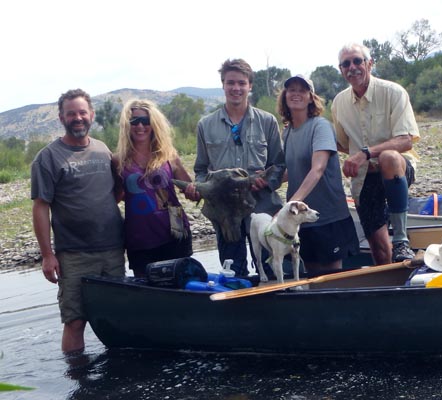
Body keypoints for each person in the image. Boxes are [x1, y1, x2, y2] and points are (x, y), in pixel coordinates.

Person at [31, 89, 125, 353]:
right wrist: (47, 255)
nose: (78, 118)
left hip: (113, 250)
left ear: (91, 115)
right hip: (73, 254)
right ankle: (77, 381)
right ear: (61, 117)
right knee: (75, 320)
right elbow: (40, 207)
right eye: (71, 113)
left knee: (118, 314)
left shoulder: (102, 150)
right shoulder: (47, 157)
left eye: (82, 112)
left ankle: (119, 374)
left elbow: (116, 190)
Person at [184, 58, 285, 277]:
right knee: (233, 272)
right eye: (230, 83)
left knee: (272, 266)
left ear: (250, 86)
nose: (236, 88)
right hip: (225, 211)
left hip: (262, 206)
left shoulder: (267, 121)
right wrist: (199, 187)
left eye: (241, 83)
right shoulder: (205, 125)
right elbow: (201, 168)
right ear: (223, 85)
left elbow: (278, 163)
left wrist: (268, 181)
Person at [331, 43, 420, 265]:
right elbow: (342, 143)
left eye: (357, 61)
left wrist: (365, 153)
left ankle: (401, 240)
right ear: (341, 70)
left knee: (387, 157)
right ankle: (392, 289)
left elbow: (406, 139)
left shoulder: (393, 92)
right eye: (346, 64)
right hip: (364, 178)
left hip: (397, 167)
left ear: (369, 64)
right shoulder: (339, 103)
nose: (352, 67)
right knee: (379, 252)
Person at [277, 75, 358, 276]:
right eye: (291, 89)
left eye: (302, 90)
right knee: (310, 274)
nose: (296, 94)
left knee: (332, 278)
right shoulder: (287, 133)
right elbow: (292, 170)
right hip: (301, 219)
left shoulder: (320, 126)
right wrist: (263, 182)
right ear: (285, 96)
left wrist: (292, 204)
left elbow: (317, 169)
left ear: (311, 97)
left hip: (328, 216)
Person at [113, 99, 194, 277]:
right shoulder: (118, 160)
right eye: (134, 121)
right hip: (140, 239)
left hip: (175, 235)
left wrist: (194, 191)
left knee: (182, 290)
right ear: (127, 125)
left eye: (145, 121)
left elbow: (191, 191)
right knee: (148, 295)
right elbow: (115, 197)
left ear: (154, 124)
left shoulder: (169, 155)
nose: (140, 126)